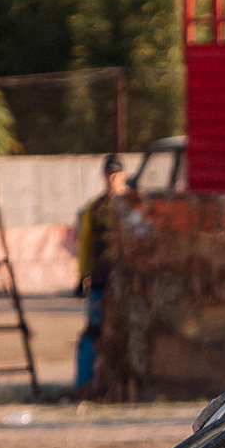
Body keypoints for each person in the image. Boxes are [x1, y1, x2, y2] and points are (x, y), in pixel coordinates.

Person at [72, 153, 133, 389]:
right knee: (94, 331)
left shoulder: (133, 205)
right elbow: (86, 244)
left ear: (123, 175)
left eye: (116, 173)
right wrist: (82, 276)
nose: (112, 178)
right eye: (109, 173)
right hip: (101, 280)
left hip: (129, 282)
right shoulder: (94, 208)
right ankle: (85, 384)